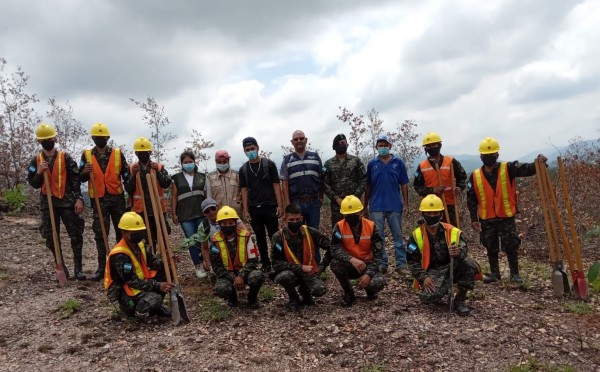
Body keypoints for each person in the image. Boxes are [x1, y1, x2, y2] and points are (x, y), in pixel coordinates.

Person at [467, 137, 547, 284]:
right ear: (480, 157)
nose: (488, 158)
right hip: (486, 218)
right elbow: (471, 198)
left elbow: (526, 169)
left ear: (497, 156)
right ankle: (494, 274)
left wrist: (538, 163)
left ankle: (515, 275)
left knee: (511, 245)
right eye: (485, 156)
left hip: (506, 216)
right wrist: (474, 218)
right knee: (490, 247)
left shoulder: (508, 168)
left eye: (491, 155)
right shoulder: (475, 176)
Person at [27, 123, 86, 280]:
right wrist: (39, 173)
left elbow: (75, 180)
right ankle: (61, 267)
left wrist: (79, 199)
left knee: (76, 235)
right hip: (48, 205)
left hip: (67, 203)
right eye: (44, 139)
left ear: (55, 138)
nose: (47, 141)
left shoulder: (66, 158)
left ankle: (78, 269)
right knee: (51, 237)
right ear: (39, 141)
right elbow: (33, 183)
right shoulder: (36, 161)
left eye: (50, 138)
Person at [407, 195, 481, 316]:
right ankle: (443, 288)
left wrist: (457, 252)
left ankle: (459, 300)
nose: (432, 216)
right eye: (428, 213)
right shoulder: (416, 235)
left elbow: (464, 247)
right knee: (429, 297)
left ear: (441, 214)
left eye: (435, 213)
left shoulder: (452, 231)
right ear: (422, 214)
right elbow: (412, 261)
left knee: (469, 263)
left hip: (452, 266)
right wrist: (423, 277)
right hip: (432, 271)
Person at [79, 122, 130, 281]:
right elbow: (79, 177)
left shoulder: (117, 154)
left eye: (103, 137)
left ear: (108, 137)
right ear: (93, 138)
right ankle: (102, 267)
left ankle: (121, 263)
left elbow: (126, 175)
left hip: (117, 199)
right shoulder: (86, 155)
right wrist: (84, 173)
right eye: (97, 137)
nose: (100, 139)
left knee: (122, 232)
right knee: (100, 234)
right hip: (99, 200)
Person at [104, 212, 171, 318]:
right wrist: (157, 285)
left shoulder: (139, 245)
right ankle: (137, 310)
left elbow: (153, 263)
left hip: (141, 283)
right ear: (123, 233)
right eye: (133, 232)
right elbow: (132, 281)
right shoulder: (120, 255)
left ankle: (154, 308)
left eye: (139, 231)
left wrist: (167, 262)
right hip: (125, 292)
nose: (138, 234)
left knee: (167, 270)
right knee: (155, 297)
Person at [271, 204, 330, 311]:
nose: (295, 222)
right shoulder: (278, 237)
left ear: (301, 219)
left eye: (297, 219)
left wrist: (322, 267)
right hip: (291, 272)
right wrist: (300, 267)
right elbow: (275, 263)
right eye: (291, 219)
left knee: (320, 290)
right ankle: (293, 297)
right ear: (285, 219)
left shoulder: (310, 232)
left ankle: (305, 292)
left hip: (309, 273)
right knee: (283, 277)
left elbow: (331, 248)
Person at [365, 134, 410, 275]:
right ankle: (382, 263)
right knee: (379, 238)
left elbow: (404, 184)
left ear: (390, 146)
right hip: (376, 206)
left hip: (395, 205)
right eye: (380, 145)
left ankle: (401, 264)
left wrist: (406, 203)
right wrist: (365, 204)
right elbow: (368, 186)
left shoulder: (398, 163)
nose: (383, 147)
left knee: (398, 237)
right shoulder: (372, 164)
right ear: (376, 147)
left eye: (385, 145)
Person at [330, 195, 386, 307]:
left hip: (368, 265)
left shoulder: (371, 226)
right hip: (350, 264)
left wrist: (369, 274)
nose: (351, 216)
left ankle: (370, 290)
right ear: (343, 214)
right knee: (335, 265)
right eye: (348, 214)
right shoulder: (339, 226)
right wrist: (351, 259)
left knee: (378, 283)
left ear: (360, 212)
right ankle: (349, 293)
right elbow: (334, 248)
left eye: (354, 214)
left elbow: (379, 254)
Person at [239, 136, 284, 272]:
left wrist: (280, 205)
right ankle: (265, 263)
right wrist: (245, 210)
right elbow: (244, 190)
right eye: (247, 150)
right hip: (254, 209)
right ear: (244, 151)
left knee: (274, 236)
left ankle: (279, 261)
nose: (250, 151)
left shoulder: (269, 165)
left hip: (270, 207)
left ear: (258, 148)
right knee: (259, 238)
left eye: (252, 148)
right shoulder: (244, 169)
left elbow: (276, 185)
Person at [210, 206, 264, 309]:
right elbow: (216, 266)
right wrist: (234, 278)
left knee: (258, 276)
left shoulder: (246, 237)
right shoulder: (215, 241)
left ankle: (252, 298)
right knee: (221, 288)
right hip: (227, 274)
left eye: (230, 223)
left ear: (235, 223)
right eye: (224, 224)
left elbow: (254, 260)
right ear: (219, 224)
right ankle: (232, 298)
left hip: (245, 272)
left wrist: (242, 276)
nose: (228, 226)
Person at [124, 137, 171, 250]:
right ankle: (149, 262)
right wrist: (133, 175)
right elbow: (128, 188)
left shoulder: (159, 167)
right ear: (136, 153)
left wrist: (158, 172)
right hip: (141, 211)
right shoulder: (132, 168)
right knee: (145, 240)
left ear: (150, 152)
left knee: (162, 237)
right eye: (140, 153)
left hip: (157, 209)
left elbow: (166, 183)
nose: (143, 155)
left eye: (145, 152)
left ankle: (165, 262)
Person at [413, 132, 467, 227]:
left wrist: (459, 187)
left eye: (434, 145)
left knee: (452, 231)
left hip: (450, 203)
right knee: (432, 232)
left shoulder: (451, 162)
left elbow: (462, 177)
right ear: (425, 148)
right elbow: (417, 186)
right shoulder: (421, 166)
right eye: (428, 146)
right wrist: (432, 190)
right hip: (431, 207)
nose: (432, 147)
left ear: (439, 145)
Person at [280, 130, 323, 246]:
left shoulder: (315, 157)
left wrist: (321, 197)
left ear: (306, 140)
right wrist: (288, 205)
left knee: (314, 234)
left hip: (313, 202)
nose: (299, 141)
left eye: (301, 138)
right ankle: (299, 262)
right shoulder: (287, 159)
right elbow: (284, 183)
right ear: (292, 142)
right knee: (297, 234)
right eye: (296, 139)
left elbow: (322, 178)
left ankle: (315, 262)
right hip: (296, 203)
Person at [171, 150, 208, 279]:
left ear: (194, 162)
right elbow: (174, 197)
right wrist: (174, 213)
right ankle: (197, 266)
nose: (188, 164)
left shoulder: (202, 177)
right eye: (185, 162)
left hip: (201, 213)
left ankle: (206, 263)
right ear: (181, 164)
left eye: (190, 162)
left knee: (203, 239)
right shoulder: (176, 178)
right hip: (185, 215)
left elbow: (207, 195)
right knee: (191, 240)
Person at [323, 133, 367, 228]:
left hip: (355, 204)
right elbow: (325, 183)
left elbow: (363, 179)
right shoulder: (328, 164)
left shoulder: (356, 161)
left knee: (357, 229)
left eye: (343, 142)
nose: (341, 144)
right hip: (338, 206)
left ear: (347, 144)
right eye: (338, 143)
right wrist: (336, 198)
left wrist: (356, 196)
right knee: (338, 230)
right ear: (334, 146)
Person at [195, 198, 246, 274]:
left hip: (236, 247)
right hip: (218, 251)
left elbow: (245, 233)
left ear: (217, 207)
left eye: (213, 208)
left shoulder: (229, 215)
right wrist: (208, 263)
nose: (211, 212)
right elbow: (204, 247)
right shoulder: (203, 226)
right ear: (204, 214)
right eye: (207, 211)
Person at [206, 149, 242, 217]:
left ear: (228, 161)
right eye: (219, 162)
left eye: (224, 161)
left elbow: (242, 193)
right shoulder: (210, 177)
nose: (222, 164)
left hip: (236, 213)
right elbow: (209, 198)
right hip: (219, 214)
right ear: (216, 162)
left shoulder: (237, 175)